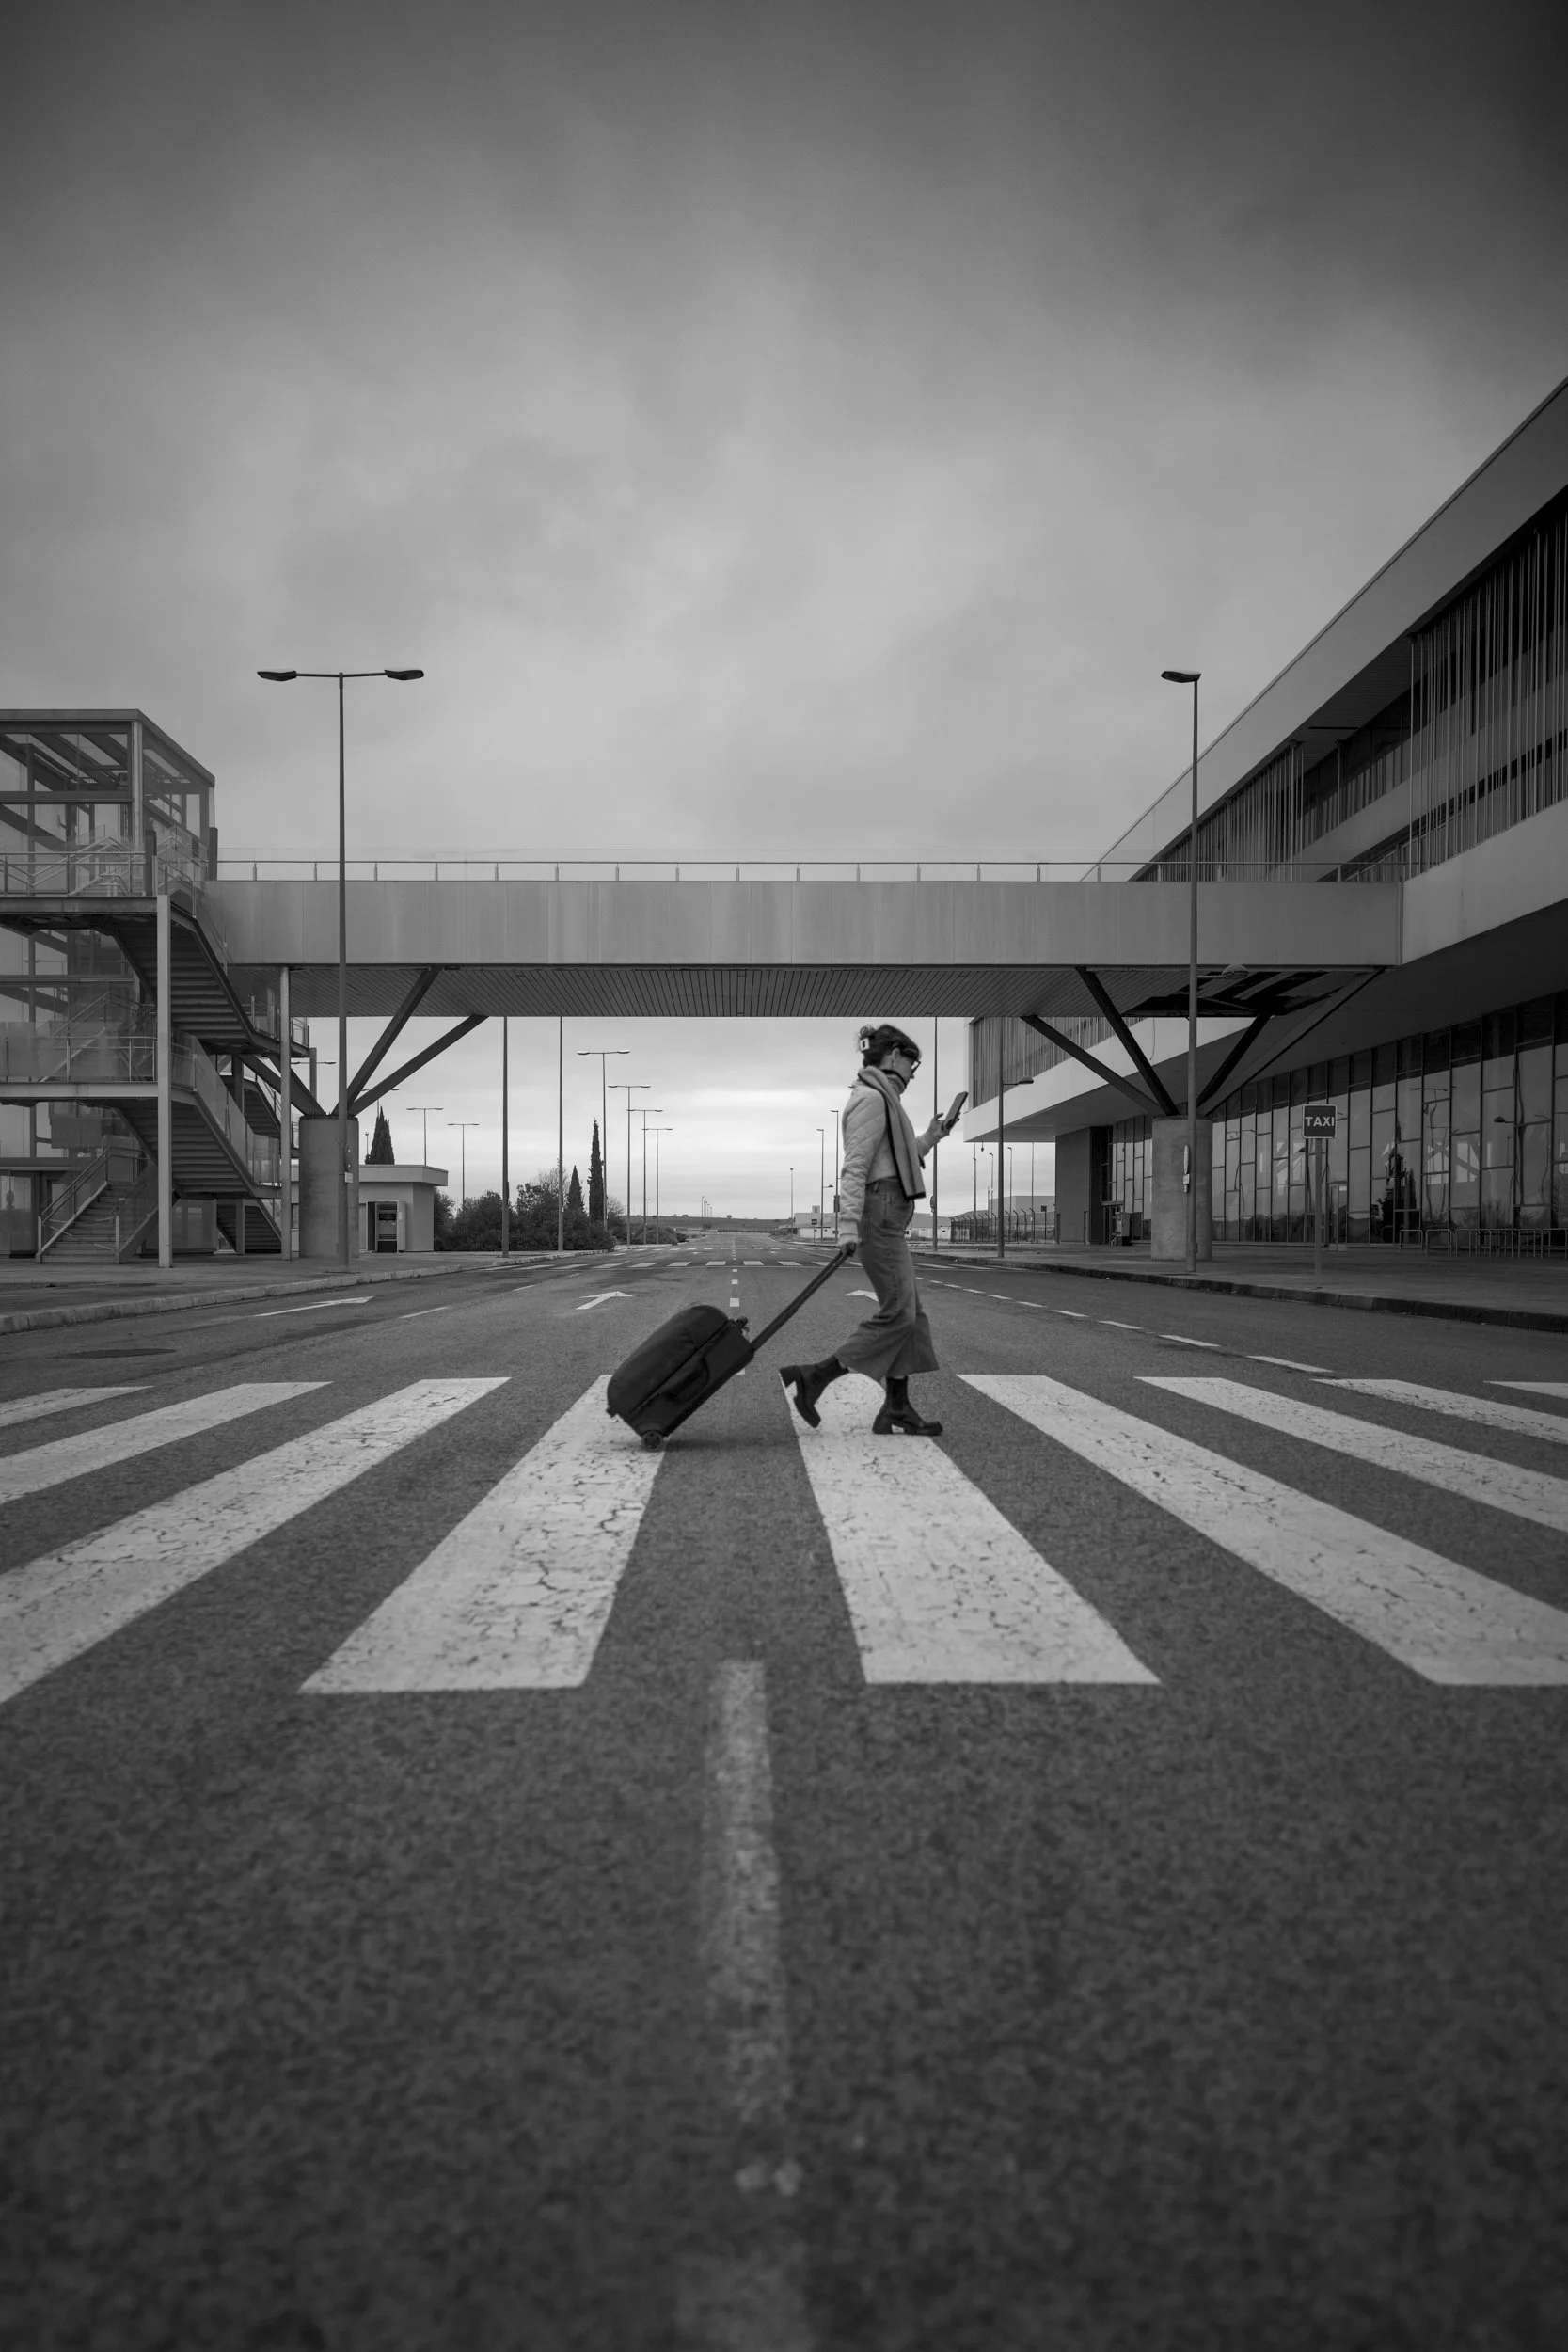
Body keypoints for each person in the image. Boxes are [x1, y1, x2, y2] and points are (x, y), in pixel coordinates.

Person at [781, 1023, 960, 1437]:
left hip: (888, 1214)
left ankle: (897, 1408)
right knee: (899, 1312)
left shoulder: (885, 1100)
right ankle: (814, 1378)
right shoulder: (871, 1099)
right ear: (894, 1055)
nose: (914, 1073)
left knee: (910, 1315)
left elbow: (894, 1160)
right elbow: (856, 1166)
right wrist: (846, 1226)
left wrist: (932, 1136)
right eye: (912, 1062)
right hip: (877, 1216)